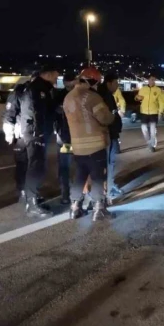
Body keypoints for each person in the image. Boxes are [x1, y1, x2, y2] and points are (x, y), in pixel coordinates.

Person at [3, 65, 59, 217]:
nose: (56, 79)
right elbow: (34, 113)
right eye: (55, 75)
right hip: (32, 134)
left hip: (25, 134)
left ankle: (27, 196)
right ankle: (31, 203)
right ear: (46, 74)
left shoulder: (33, 89)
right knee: (35, 167)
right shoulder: (36, 90)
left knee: (27, 165)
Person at [64, 69, 115, 221]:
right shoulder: (92, 97)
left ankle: (75, 208)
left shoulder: (68, 97)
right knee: (98, 176)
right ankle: (99, 210)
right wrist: (113, 114)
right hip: (95, 145)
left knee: (79, 176)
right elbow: (105, 118)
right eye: (97, 82)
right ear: (92, 81)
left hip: (77, 146)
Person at [97, 72, 124, 198]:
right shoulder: (104, 95)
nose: (117, 86)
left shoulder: (106, 94)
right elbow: (107, 117)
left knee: (108, 162)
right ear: (109, 82)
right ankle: (108, 187)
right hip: (108, 134)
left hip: (111, 133)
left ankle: (108, 185)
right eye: (116, 83)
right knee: (108, 162)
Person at [54, 73, 78, 205]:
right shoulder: (59, 96)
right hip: (65, 138)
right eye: (68, 83)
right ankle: (65, 193)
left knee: (80, 165)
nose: (70, 86)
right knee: (65, 167)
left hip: (78, 137)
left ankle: (78, 192)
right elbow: (55, 115)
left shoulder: (80, 95)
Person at [135, 75, 162, 152]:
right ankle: (149, 142)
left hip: (154, 112)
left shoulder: (158, 90)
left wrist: (160, 112)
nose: (152, 81)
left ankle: (152, 146)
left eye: (154, 80)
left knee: (153, 131)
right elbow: (138, 97)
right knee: (144, 128)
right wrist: (137, 98)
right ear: (148, 80)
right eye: (151, 79)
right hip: (144, 112)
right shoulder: (143, 89)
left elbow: (161, 102)